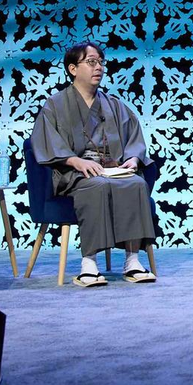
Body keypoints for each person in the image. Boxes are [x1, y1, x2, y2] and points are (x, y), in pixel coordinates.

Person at [30, 41, 157, 287]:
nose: (98, 67)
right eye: (91, 62)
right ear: (73, 69)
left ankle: (132, 260)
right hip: (73, 172)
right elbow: (46, 142)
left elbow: (134, 138)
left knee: (136, 184)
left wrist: (132, 159)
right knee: (96, 185)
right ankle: (89, 263)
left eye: (100, 62)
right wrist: (75, 160)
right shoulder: (55, 105)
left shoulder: (114, 105)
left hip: (111, 169)